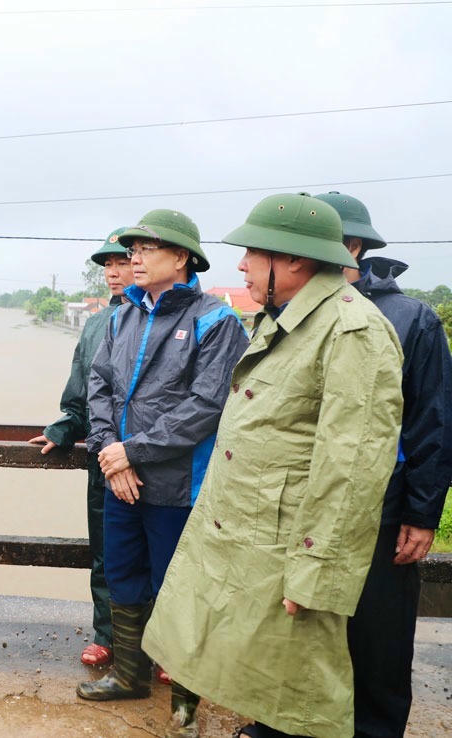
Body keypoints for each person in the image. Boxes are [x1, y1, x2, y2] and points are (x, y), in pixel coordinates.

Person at [143, 193, 404, 738]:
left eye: (252, 253)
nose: (241, 265)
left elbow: (353, 468)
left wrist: (317, 573)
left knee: (303, 689)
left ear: (294, 260)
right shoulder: (286, 319)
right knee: (269, 678)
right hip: (254, 537)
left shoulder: (352, 331)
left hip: (291, 548)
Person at [76, 209, 248, 737]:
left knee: (180, 586)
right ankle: (130, 675)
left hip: (179, 485)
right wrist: (111, 454)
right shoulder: (122, 316)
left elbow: (206, 406)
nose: (135, 258)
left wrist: (131, 452)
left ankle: (185, 702)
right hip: (122, 479)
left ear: (182, 258)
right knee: (122, 573)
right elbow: (99, 388)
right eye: (133, 250)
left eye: (147, 249)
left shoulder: (215, 320)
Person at [315, 191, 452, 736]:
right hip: (306, 501)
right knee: (299, 625)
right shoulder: (289, 316)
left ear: (353, 247)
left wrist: (421, 513)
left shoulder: (409, 318)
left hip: (381, 506)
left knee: (378, 634)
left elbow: (432, 421)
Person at [28, 228, 133, 666]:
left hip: (154, 459)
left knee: (162, 553)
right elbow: (79, 397)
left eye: (122, 261)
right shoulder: (95, 324)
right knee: (106, 554)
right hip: (102, 458)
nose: (113, 272)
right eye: (108, 264)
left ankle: (162, 645)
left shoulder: (170, 321)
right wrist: (63, 429)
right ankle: (107, 635)